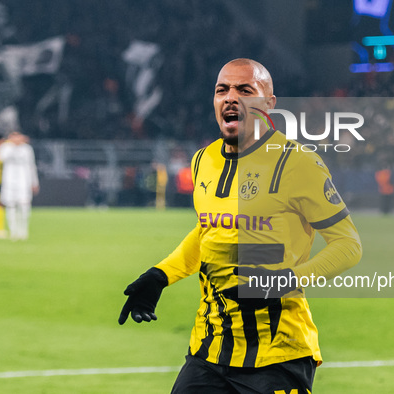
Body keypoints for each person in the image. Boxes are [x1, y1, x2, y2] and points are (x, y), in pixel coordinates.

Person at [118, 58, 362, 394]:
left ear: (268, 103)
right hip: (210, 348)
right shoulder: (204, 160)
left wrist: (283, 281)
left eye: (245, 90)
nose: (231, 97)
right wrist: (161, 274)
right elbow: (210, 230)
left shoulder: (298, 163)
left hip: (277, 355)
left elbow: (348, 245)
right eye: (222, 90)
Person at [0, 132, 39, 241]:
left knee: (24, 205)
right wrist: (13, 146)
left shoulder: (27, 149)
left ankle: (23, 231)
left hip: (24, 181)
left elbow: (32, 166)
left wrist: (34, 182)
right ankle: (13, 232)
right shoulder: (5, 147)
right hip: (9, 181)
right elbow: (1, 158)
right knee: (10, 206)